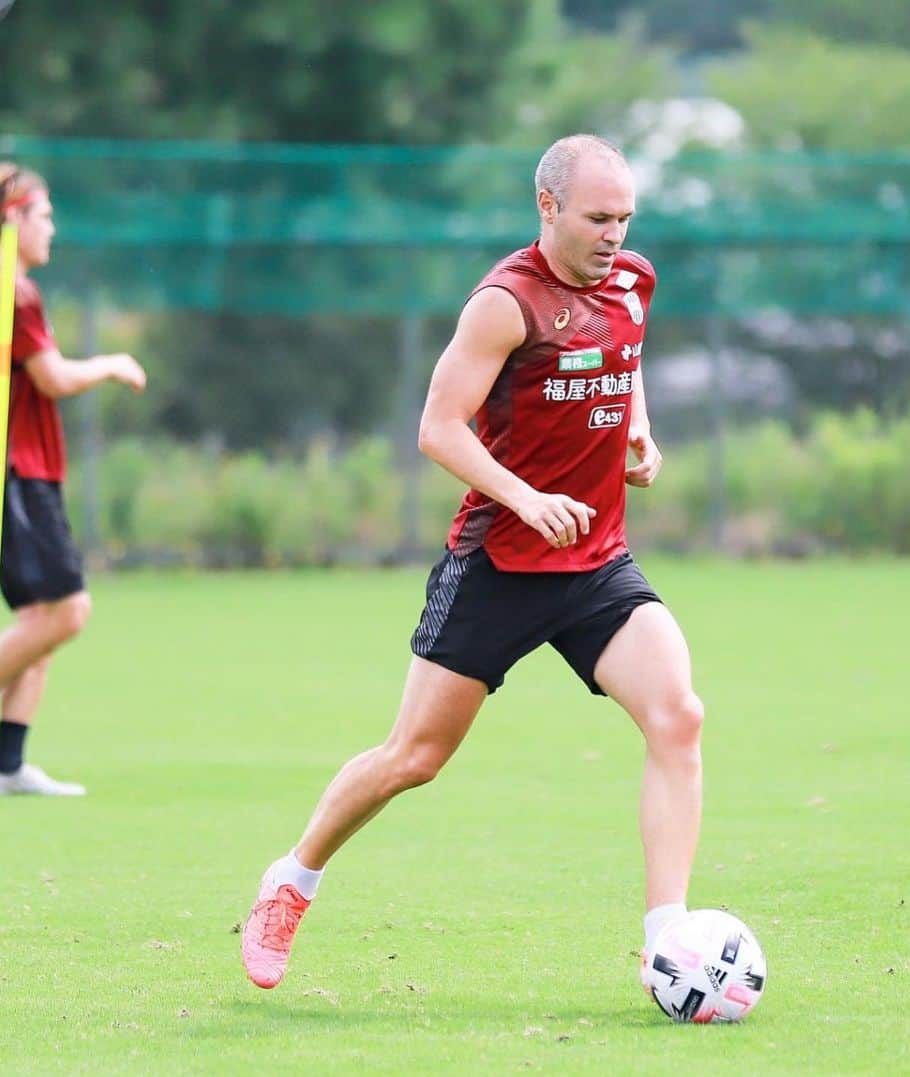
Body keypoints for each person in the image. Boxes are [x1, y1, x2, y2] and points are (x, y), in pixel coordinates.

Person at [241, 134, 704, 992]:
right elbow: (437, 426)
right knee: (413, 757)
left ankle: (667, 940)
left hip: (597, 562)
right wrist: (527, 498)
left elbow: (623, 356)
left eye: (626, 217)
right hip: (499, 561)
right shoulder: (505, 302)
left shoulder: (635, 279)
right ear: (549, 207)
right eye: (599, 217)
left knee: (679, 715)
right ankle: (292, 879)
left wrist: (637, 427)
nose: (615, 233)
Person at [0, 164, 147, 796]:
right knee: (66, 611)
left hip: (28, 470)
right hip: (18, 471)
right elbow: (53, 379)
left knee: (40, 617)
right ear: (13, 218)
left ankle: (7, 765)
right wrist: (113, 363)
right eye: (45, 214)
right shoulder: (16, 290)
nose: (52, 228)